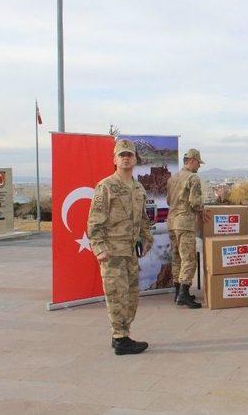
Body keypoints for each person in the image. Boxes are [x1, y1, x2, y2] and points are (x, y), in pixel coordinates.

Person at [88, 139, 154, 355]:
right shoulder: (106, 186)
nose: (126, 158)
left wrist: (147, 240)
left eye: (129, 155)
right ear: (114, 159)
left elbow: (144, 219)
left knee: (131, 297)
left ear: (135, 159)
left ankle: (123, 334)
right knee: (117, 296)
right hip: (112, 253)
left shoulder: (138, 188)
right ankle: (120, 339)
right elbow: (94, 222)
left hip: (130, 253)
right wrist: (99, 248)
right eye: (121, 155)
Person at [166, 148, 207, 309]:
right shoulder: (193, 178)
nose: (199, 166)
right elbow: (195, 202)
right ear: (192, 161)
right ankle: (184, 293)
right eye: (198, 162)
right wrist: (202, 211)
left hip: (171, 222)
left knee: (177, 258)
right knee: (189, 259)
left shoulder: (172, 178)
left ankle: (178, 293)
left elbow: (169, 200)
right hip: (185, 223)